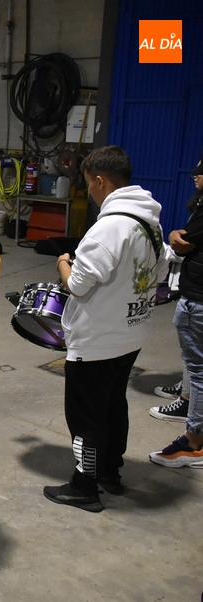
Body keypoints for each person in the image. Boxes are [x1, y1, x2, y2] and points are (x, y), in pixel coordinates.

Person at [43, 146, 170, 511]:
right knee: (113, 404)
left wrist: (63, 264)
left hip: (98, 339)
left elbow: (79, 284)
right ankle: (110, 472)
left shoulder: (110, 227)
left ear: (100, 181)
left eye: (89, 185)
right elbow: (159, 275)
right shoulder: (150, 222)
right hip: (132, 332)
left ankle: (84, 485)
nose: (91, 193)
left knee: (85, 415)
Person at [149, 155, 203, 468]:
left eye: (201, 173)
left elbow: (183, 242)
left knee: (198, 371)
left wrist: (172, 236)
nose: (195, 177)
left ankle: (193, 443)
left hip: (198, 298)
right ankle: (188, 404)